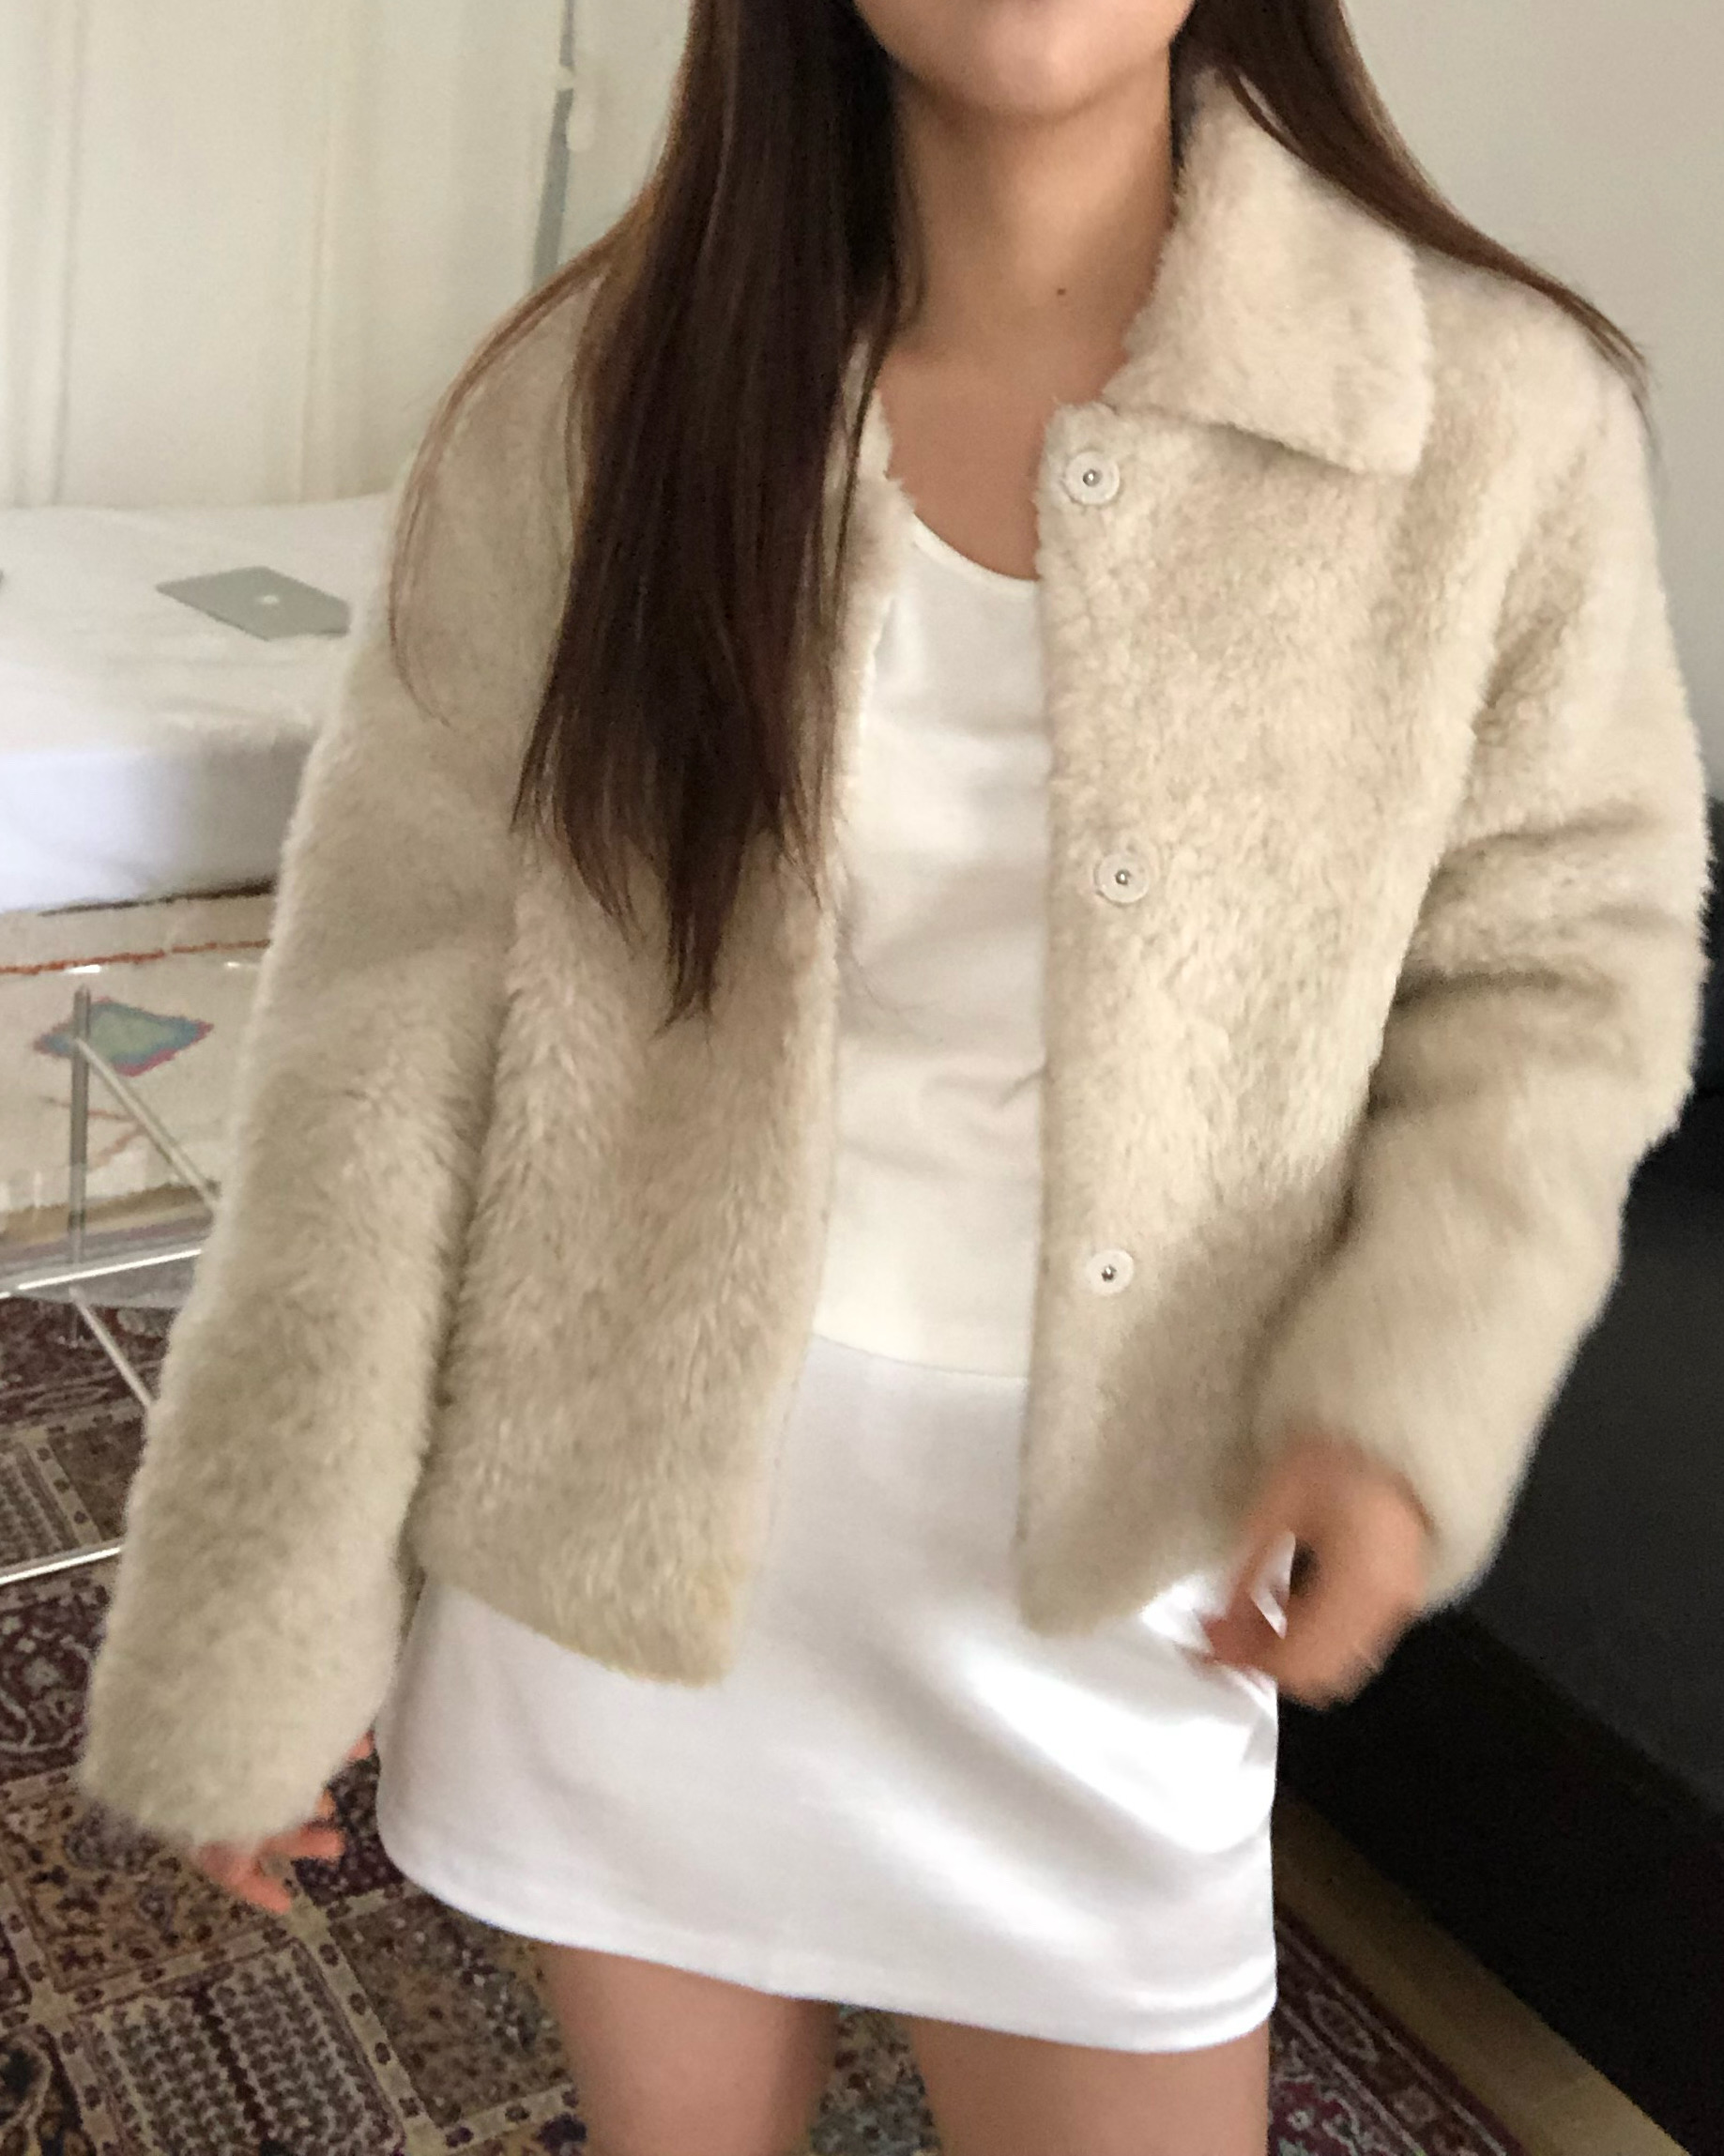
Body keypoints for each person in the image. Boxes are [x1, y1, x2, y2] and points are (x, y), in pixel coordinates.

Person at [74, 4, 1711, 2153]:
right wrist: (265, 1611)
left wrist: (1410, 1389)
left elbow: (1561, 966)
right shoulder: (587, 403)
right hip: (623, 1564)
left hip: (1113, 1579)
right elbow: (379, 1036)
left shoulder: (1484, 411)